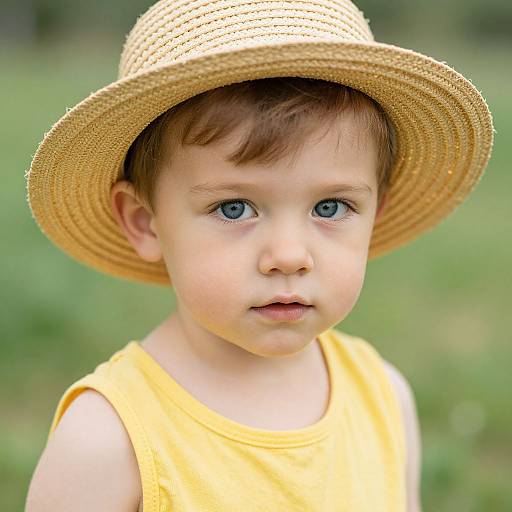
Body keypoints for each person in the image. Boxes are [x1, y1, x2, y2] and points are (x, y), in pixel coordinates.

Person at [24, 0, 494, 511]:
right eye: (233, 208)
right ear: (144, 221)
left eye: (331, 206)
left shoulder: (383, 397)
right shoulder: (109, 439)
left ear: (375, 212)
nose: (288, 256)